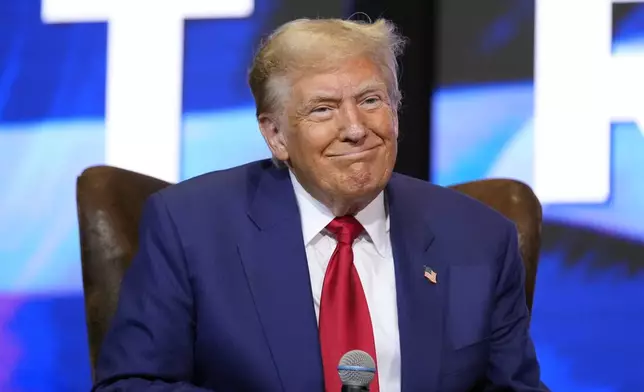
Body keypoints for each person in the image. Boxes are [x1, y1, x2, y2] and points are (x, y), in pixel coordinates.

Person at [93, 18, 545, 392]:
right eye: (323, 109)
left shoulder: (478, 236)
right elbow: (133, 384)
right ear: (275, 135)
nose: (354, 128)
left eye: (371, 101)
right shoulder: (191, 227)